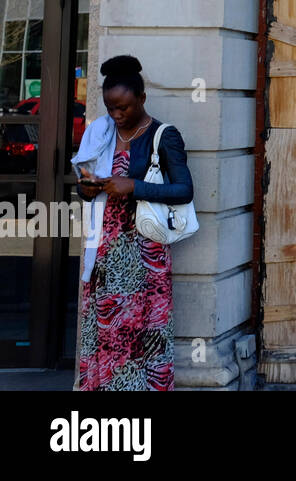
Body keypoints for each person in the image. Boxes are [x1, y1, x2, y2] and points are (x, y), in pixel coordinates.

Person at [73, 55, 193, 391]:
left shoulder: (163, 136)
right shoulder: (100, 133)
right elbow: (85, 192)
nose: (116, 114)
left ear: (141, 99)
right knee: (104, 334)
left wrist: (134, 186)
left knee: (142, 333)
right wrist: (87, 186)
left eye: (123, 106)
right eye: (110, 106)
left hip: (145, 255)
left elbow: (184, 190)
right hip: (105, 252)